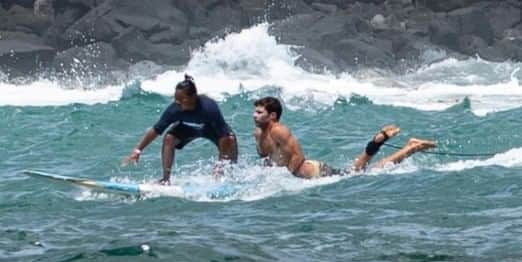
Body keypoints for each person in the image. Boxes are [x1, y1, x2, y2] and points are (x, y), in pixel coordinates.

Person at [252, 96, 436, 178]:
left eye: (260, 112)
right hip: (304, 176)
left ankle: (411, 147)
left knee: (364, 174)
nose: (254, 115)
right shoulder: (258, 133)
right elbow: (268, 159)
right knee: (358, 171)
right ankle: (378, 142)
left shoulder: (279, 130)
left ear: (273, 116)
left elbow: (298, 156)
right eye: (255, 112)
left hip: (315, 173)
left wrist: (286, 178)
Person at [124, 75, 238, 185]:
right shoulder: (174, 110)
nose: (177, 102)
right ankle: (165, 179)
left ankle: (228, 177)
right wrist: (138, 150)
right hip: (187, 129)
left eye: (181, 99)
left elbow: (223, 136)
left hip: (211, 129)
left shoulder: (209, 107)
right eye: (176, 99)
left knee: (230, 140)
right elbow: (156, 129)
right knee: (169, 138)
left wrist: (221, 163)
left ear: (193, 97)